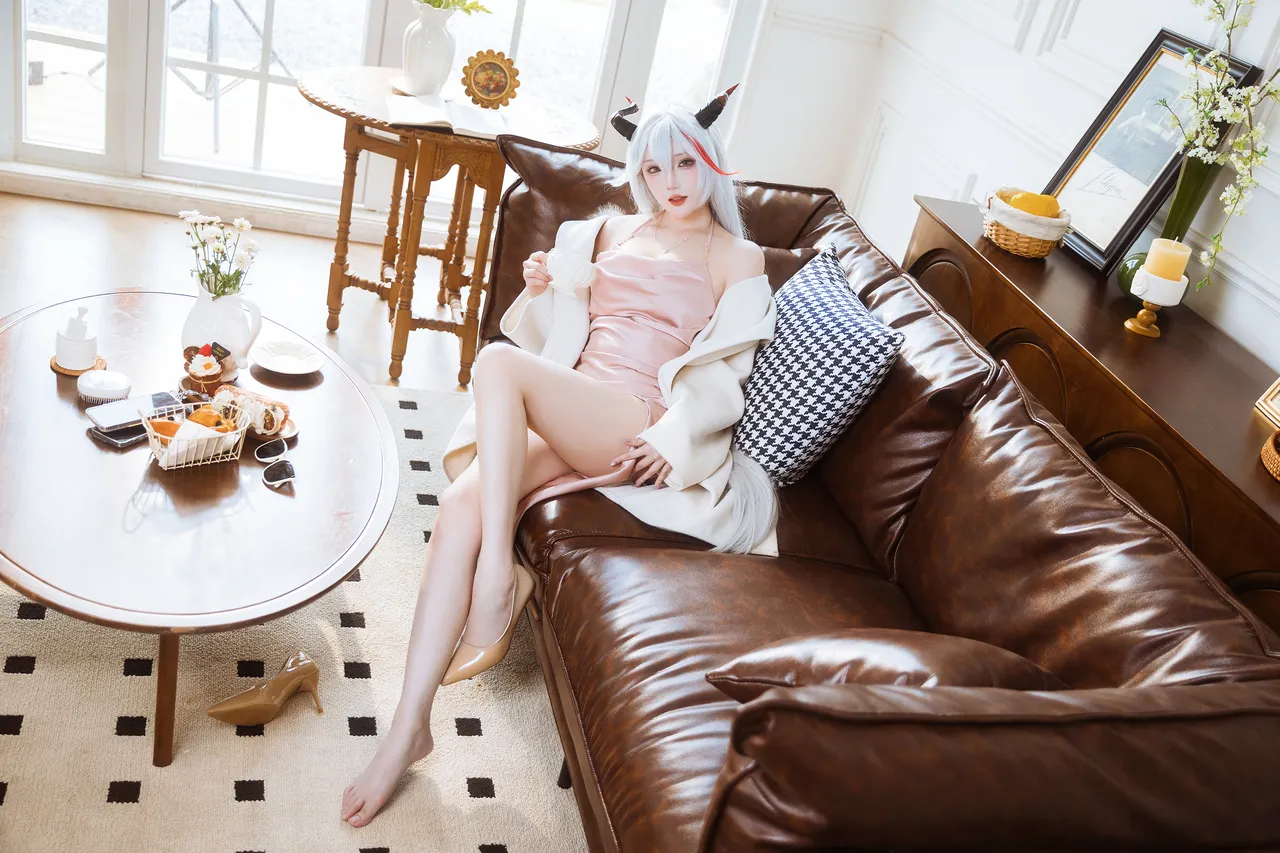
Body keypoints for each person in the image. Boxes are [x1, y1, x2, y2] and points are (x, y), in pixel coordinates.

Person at [340, 84, 778, 828]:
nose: (671, 183)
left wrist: (671, 439)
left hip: (632, 417)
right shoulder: (609, 232)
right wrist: (542, 285)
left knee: (496, 364)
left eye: (685, 164)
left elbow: (725, 369)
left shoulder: (738, 256)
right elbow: (560, 330)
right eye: (653, 168)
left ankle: (495, 581)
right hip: (573, 399)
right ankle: (408, 728)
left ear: (711, 161)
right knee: (460, 504)